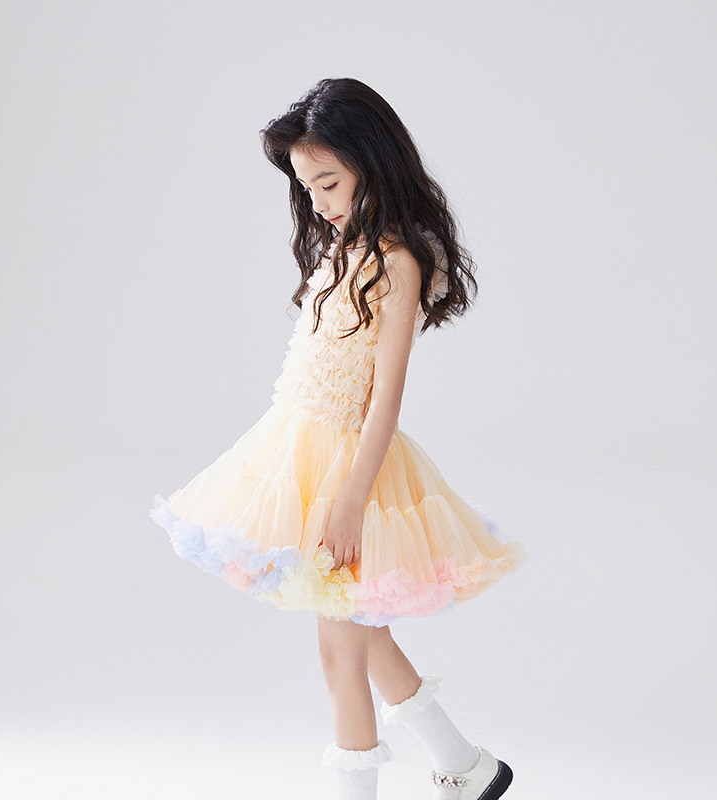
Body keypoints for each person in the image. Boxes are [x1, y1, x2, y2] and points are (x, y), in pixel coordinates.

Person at [150, 77, 528, 800]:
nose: (319, 202)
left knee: (339, 655)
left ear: (371, 163)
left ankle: (424, 779)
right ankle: (469, 768)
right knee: (365, 635)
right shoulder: (344, 247)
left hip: (351, 468)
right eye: (308, 188)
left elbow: (386, 395)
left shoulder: (397, 262)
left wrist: (351, 498)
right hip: (297, 449)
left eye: (329, 183)